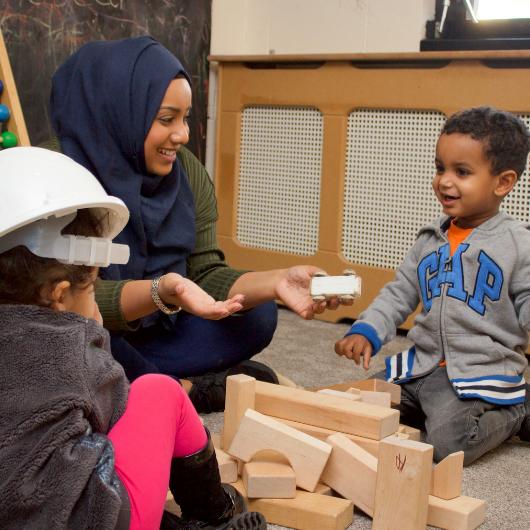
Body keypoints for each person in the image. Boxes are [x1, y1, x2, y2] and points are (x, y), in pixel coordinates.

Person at [48, 36, 348, 413]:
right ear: (120, 111)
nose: (183, 134)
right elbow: (63, 299)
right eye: (166, 119)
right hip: (95, 331)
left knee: (257, 314)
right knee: (67, 337)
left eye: (185, 117)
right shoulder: (59, 177)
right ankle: (187, 390)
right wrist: (161, 290)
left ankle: (151, 386)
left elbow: (206, 271)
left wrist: (276, 282)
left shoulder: (185, 171)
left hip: (162, 331)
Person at [0, 146, 267, 530]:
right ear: (59, 296)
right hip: (84, 518)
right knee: (159, 392)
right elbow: (117, 415)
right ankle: (213, 511)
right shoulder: (73, 345)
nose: (94, 304)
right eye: (91, 288)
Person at [334, 107, 530, 465]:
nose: (444, 181)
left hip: (478, 373)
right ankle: (430, 409)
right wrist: (367, 330)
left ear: (503, 182)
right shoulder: (430, 239)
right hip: (420, 366)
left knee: (447, 445)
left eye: (462, 172)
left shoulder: (518, 244)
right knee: (356, 406)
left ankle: (518, 411)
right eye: (441, 168)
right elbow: (399, 292)